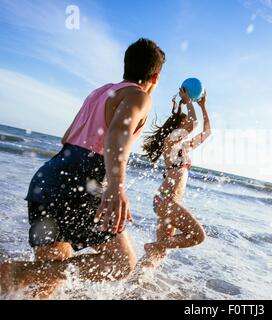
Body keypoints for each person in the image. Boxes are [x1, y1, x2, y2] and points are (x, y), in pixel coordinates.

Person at [0, 38, 165, 299]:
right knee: (121, 263)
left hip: (49, 177)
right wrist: (116, 188)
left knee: (43, 283)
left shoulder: (100, 92)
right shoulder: (138, 96)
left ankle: (14, 277)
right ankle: (17, 272)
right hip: (80, 180)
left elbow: (67, 137)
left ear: (126, 65)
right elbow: (116, 137)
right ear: (155, 77)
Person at [138, 87, 211, 269]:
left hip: (166, 202)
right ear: (177, 128)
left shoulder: (183, 148)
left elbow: (207, 132)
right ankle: (153, 245)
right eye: (184, 124)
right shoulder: (170, 142)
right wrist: (188, 102)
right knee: (198, 236)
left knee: (158, 254)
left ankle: (134, 286)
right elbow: (194, 124)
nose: (188, 128)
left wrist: (203, 107)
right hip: (165, 201)